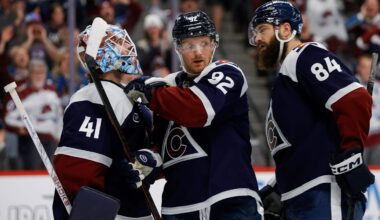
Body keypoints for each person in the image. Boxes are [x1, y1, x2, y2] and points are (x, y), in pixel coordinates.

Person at [125, 10, 263, 220]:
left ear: (214, 44)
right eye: (190, 45)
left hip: (229, 198)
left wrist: (152, 91)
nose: (198, 53)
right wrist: (148, 162)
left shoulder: (228, 73)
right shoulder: (168, 90)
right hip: (180, 207)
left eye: (204, 43)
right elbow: (164, 145)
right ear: (178, 48)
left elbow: (198, 109)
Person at [248, 1, 375, 219]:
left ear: (285, 30)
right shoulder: (285, 79)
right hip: (301, 198)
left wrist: (351, 151)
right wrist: (279, 186)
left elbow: (355, 98)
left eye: (262, 30)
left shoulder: (303, 55)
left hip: (323, 194)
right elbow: (303, 141)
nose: (257, 39)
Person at [52, 20, 162, 219]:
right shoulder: (91, 97)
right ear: (103, 54)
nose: (127, 47)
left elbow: (156, 150)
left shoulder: (130, 97)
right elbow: (78, 169)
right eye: (117, 42)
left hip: (137, 212)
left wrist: (151, 159)